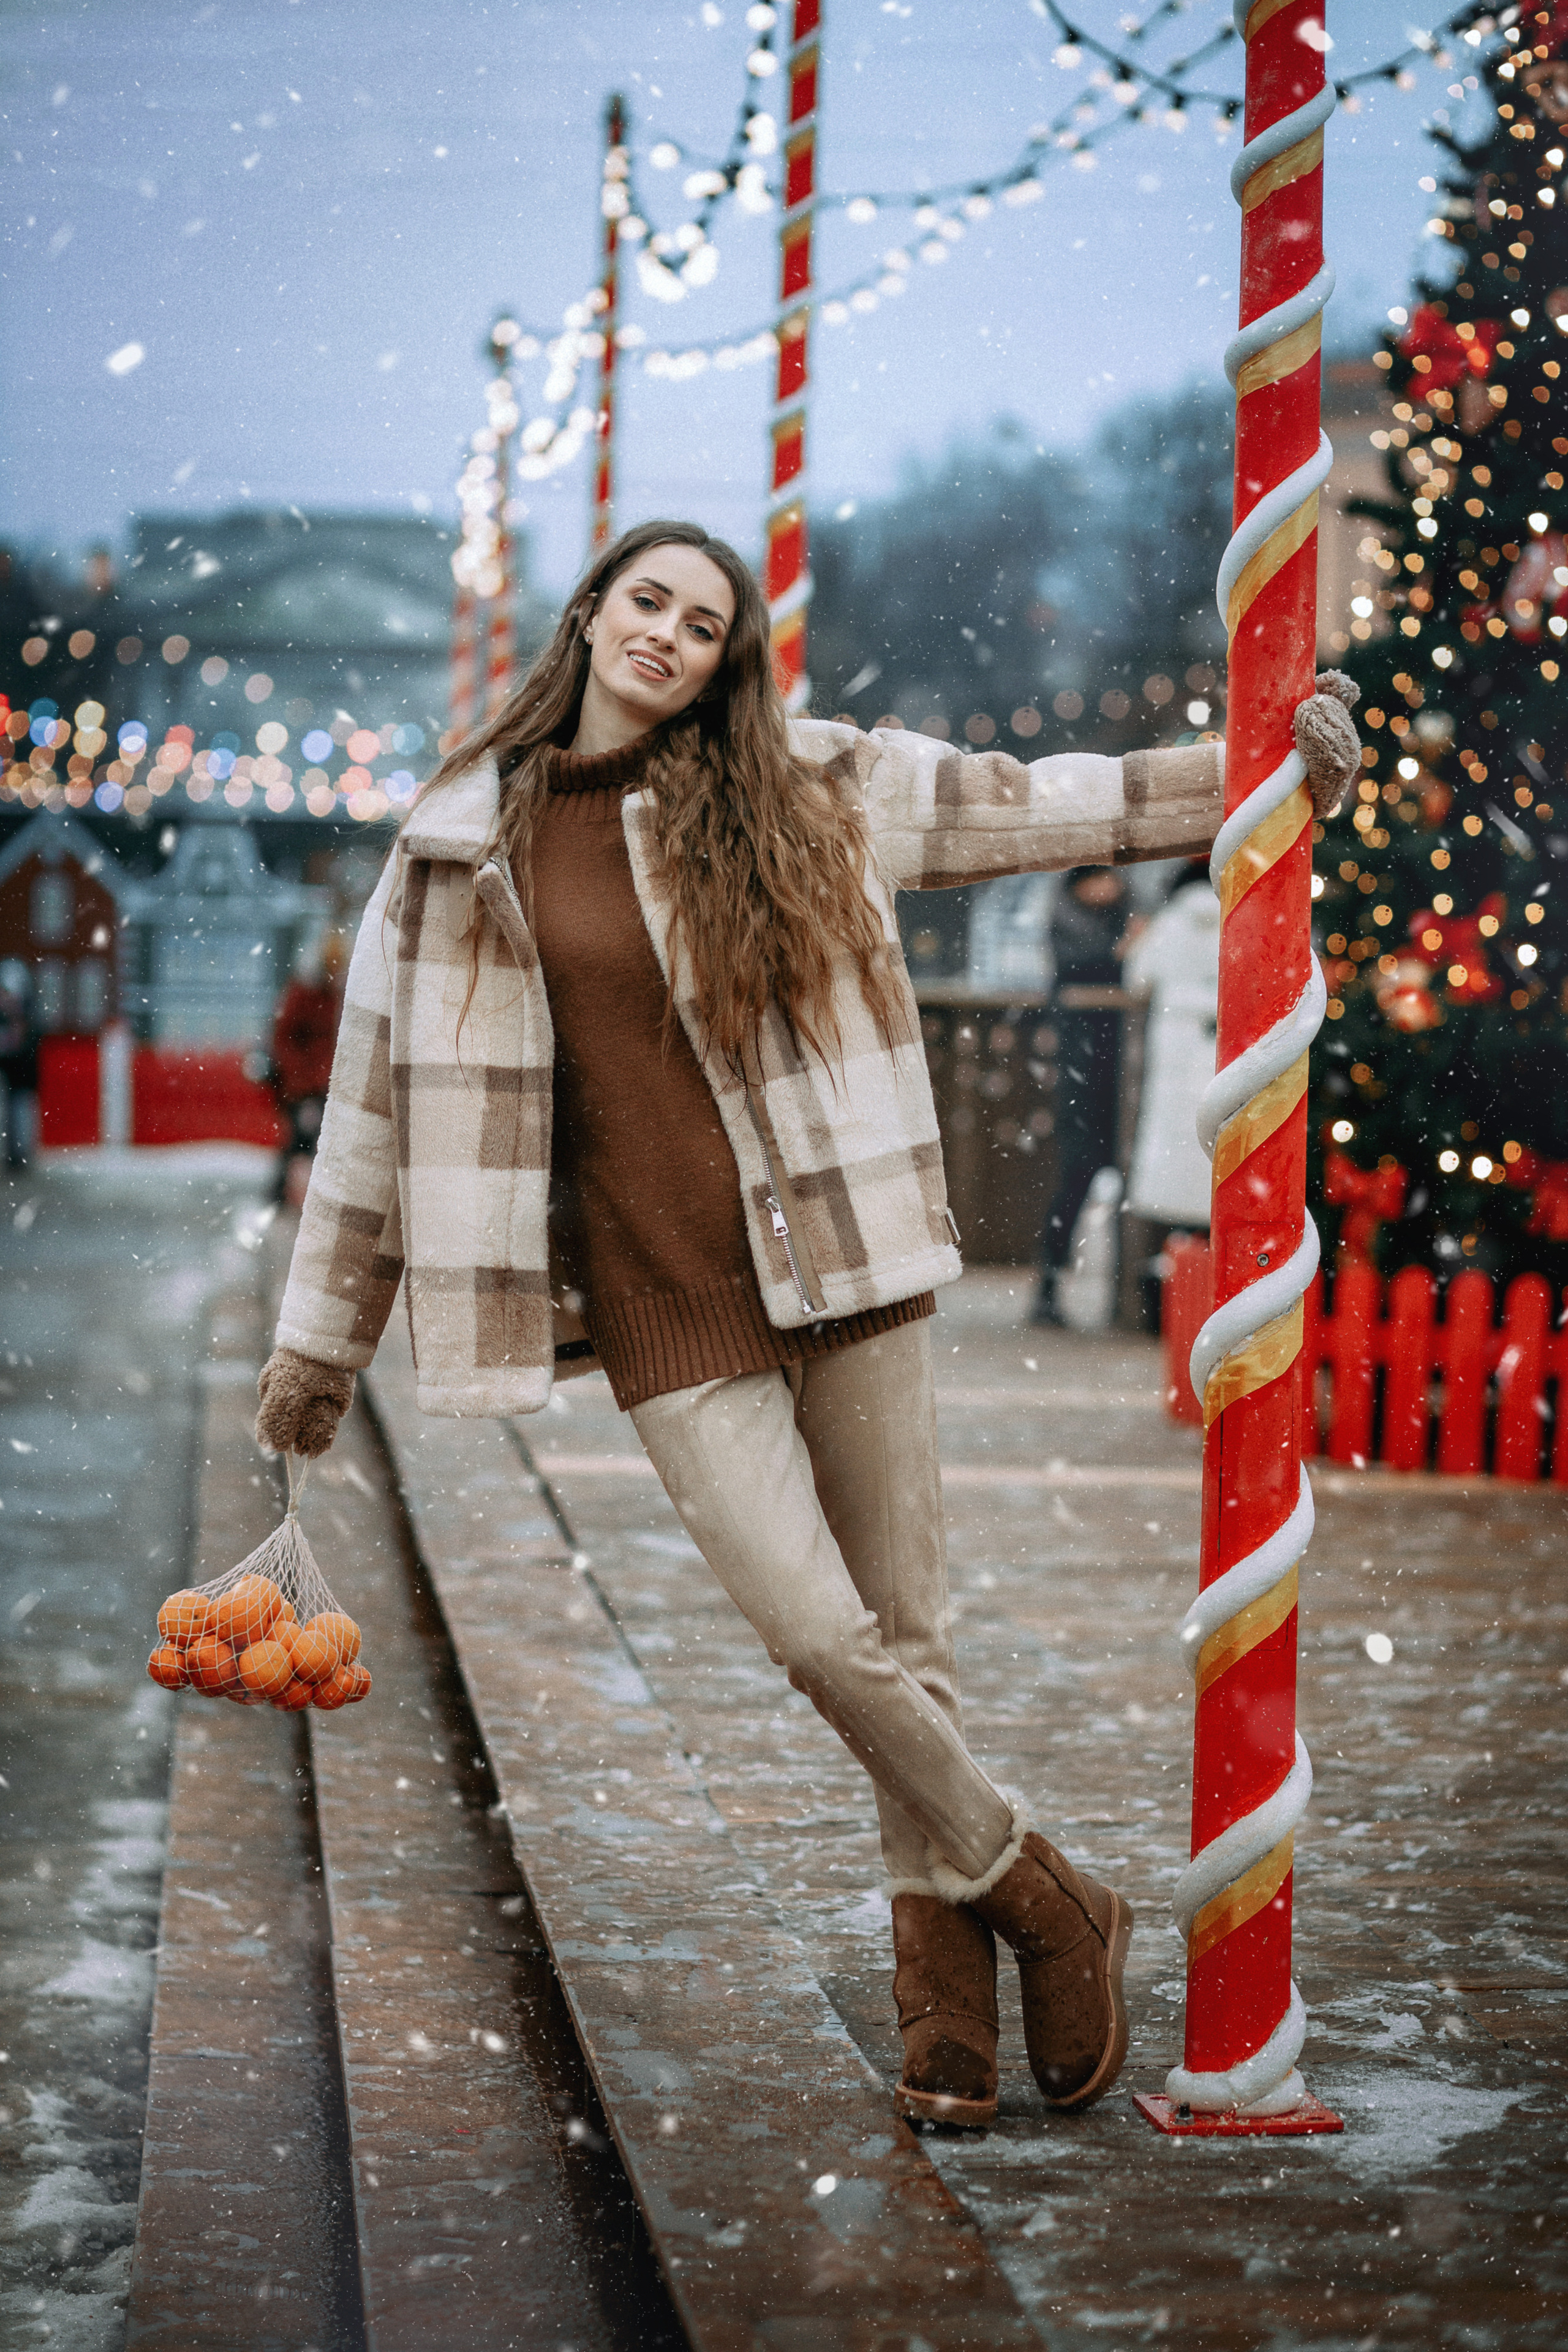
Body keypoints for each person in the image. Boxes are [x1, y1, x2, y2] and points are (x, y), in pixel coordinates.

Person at [252, 520, 1360, 2130]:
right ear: (591, 613)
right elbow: (368, 1117)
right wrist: (320, 1346)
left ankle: (947, 2015)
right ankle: (1045, 1895)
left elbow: (1045, 801)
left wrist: (1263, 774)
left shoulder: (805, 787)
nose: (669, 637)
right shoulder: (450, 848)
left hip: (845, 1253)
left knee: (908, 1638)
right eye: (649, 602)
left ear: (723, 660)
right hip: (658, 1306)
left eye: (703, 624)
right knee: (813, 1635)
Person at [1030, 868, 1134, 1328]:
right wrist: (1122, 951)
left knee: (1112, 1182)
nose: (1106, 887)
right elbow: (1084, 967)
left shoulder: (1121, 917)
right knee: (1076, 1179)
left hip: (1118, 1074)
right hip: (1087, 1073)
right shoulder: (1070, 924)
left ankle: (1128, 1294)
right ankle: (1050, 1287)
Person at [1124, 856, 1222, 1245]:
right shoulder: (1241, 921)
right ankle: (1210, 1245)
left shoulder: (1168, 923)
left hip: (1174, 1041)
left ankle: (1170, 1264)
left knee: (1171, 1139)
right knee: (1217, 1135)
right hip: (1222, 1040)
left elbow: (1136, 978)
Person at [268, 934, 346, 1205]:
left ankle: (289, 1200)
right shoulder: (306, 996)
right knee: (302, 1145)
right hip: (308, 1089)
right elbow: (285, 1042)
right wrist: (306, 1082)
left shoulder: (334, 997)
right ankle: (282, 1200)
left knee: (310, 1147)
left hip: (324, 1086)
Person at [0, 960, 39, 1171]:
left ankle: (20, 1154)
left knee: (21, 1112)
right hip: (13, 1077)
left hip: (21, 1078)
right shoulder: (13, 1017)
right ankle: (15, 1153)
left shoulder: (27, 1019)